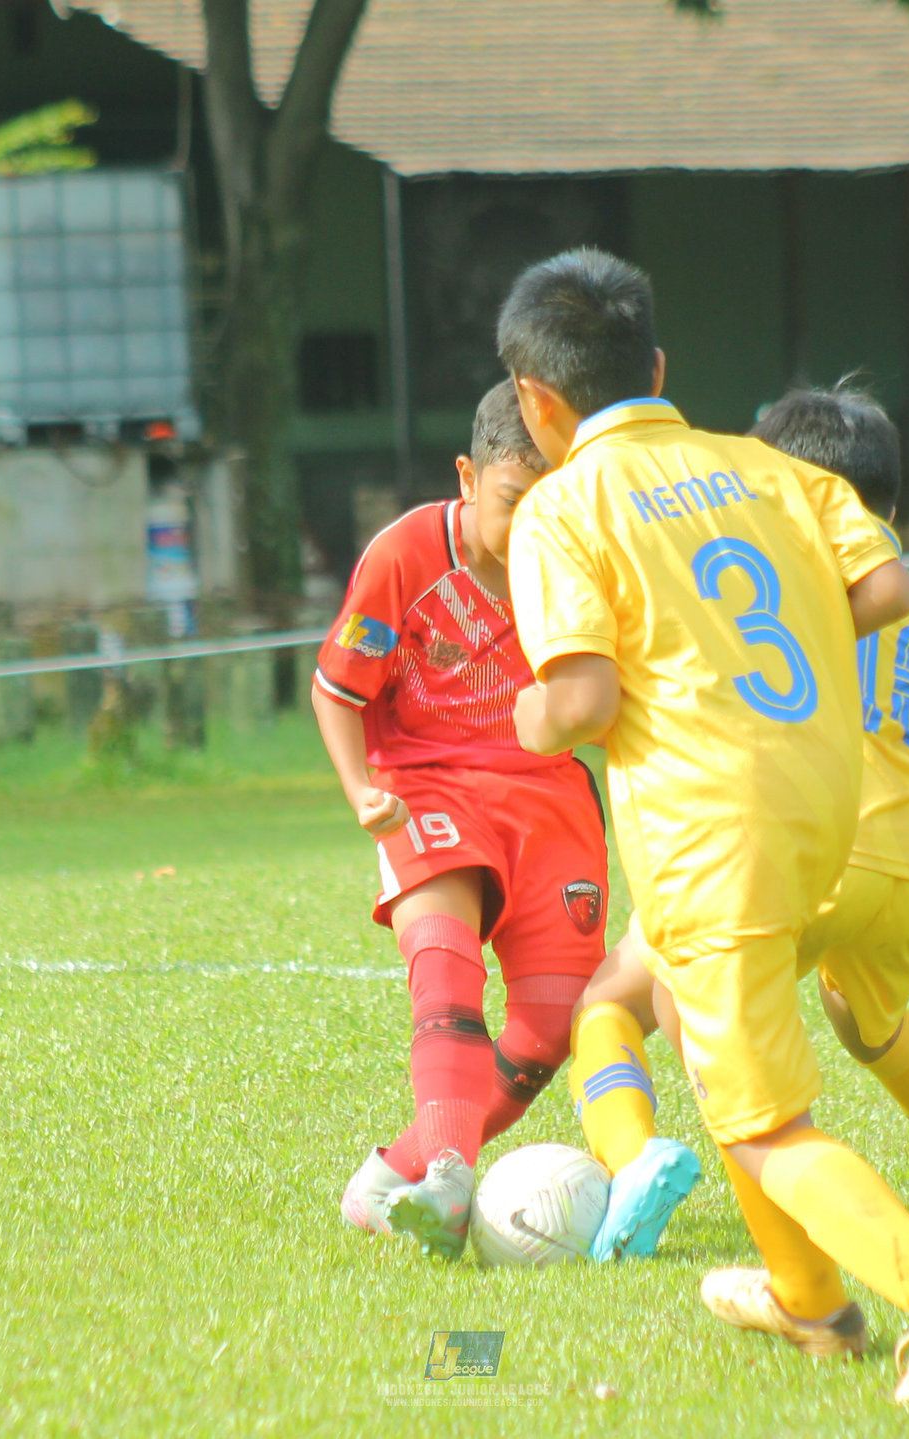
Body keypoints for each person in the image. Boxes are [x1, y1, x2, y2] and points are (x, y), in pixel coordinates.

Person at [501, 248, 909, 1405]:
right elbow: (885, 590)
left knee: (763, 1120)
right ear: (657, 367)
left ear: (534, 398)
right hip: (822, 801)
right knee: (722, 1065)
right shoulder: (766, 468)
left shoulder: (561, 508)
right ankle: (810, 1304)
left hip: (708, 828)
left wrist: (529, 713)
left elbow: (577, 702)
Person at [567, 385, 909, 1273]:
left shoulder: (781, 560)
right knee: (872, 1028)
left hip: (802, 833)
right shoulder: (890, 574)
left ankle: (645, 1157)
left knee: (614, 1001)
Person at [316, 382, 610, 1261]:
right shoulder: (406, 554)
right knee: (447, 973)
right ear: (467, 477)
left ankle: (389, 1179)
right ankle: (449, 1177)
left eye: (552, 502)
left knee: (553, 1024)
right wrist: (360, 790)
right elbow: (337, 689)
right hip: (427, 786)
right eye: (515, 499)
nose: (532, 524)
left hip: (550, 795)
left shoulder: (584, 558)